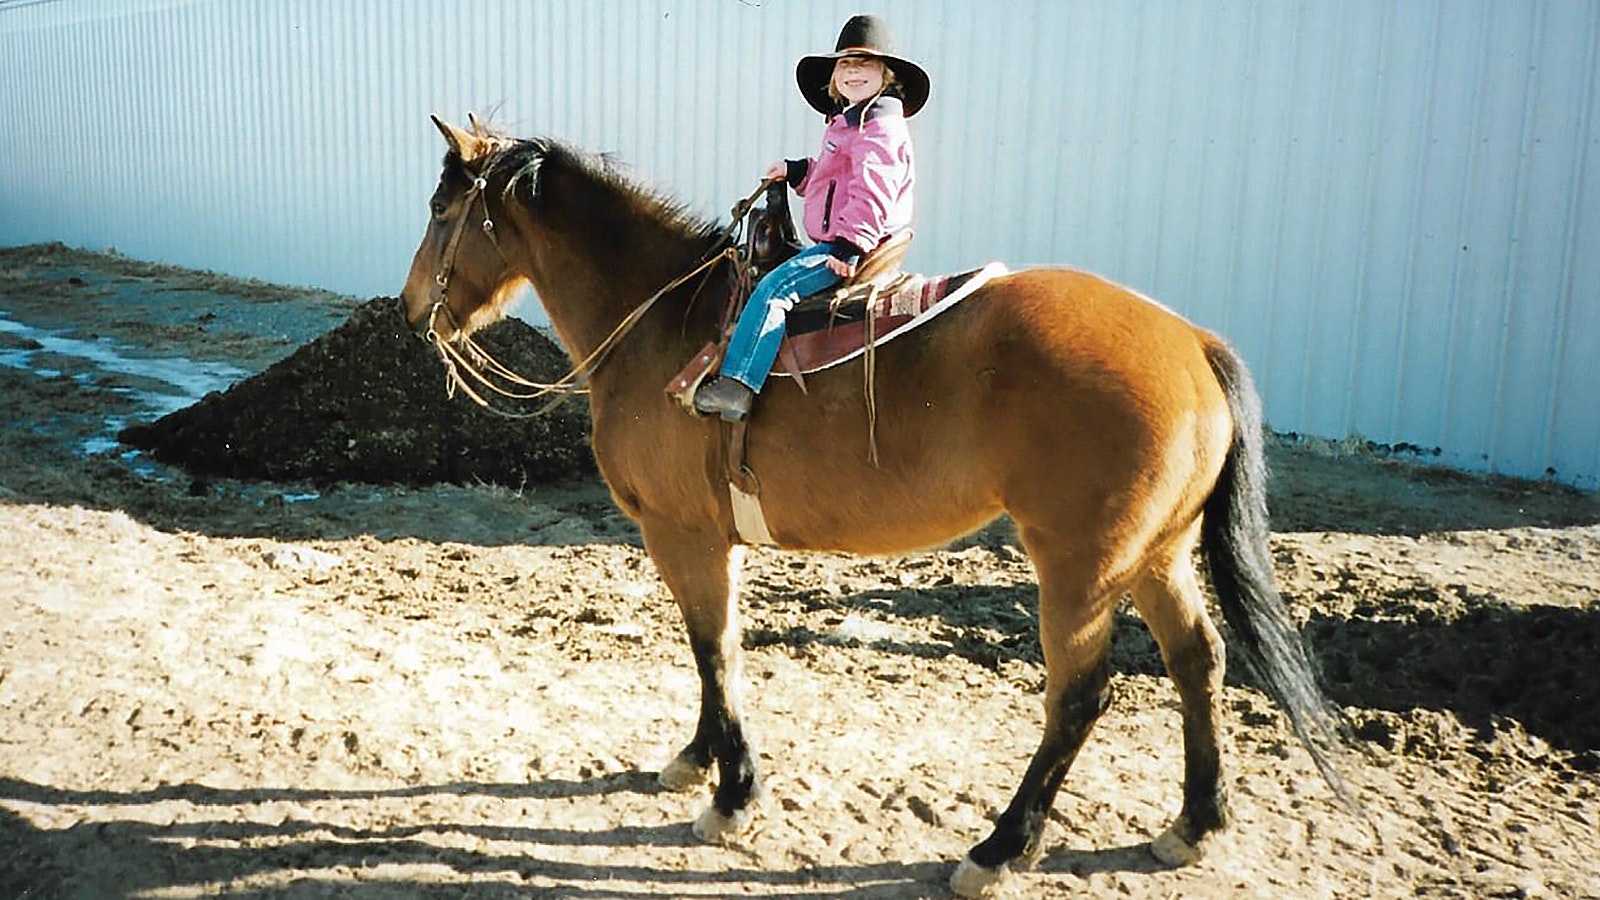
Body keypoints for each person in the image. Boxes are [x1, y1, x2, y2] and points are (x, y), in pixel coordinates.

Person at [694, 14, 929, 422]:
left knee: (774, 288)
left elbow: (873, 188)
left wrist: (850, 245)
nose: (853, 73)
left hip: (852, 243)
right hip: (844, 236)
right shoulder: (853, 123)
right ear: (835, 78)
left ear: (886, 76)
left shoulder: (879, 128)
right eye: (845, 65)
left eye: (865, 65)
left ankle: (737, 384)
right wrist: (798, 171)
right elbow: (835, 178)